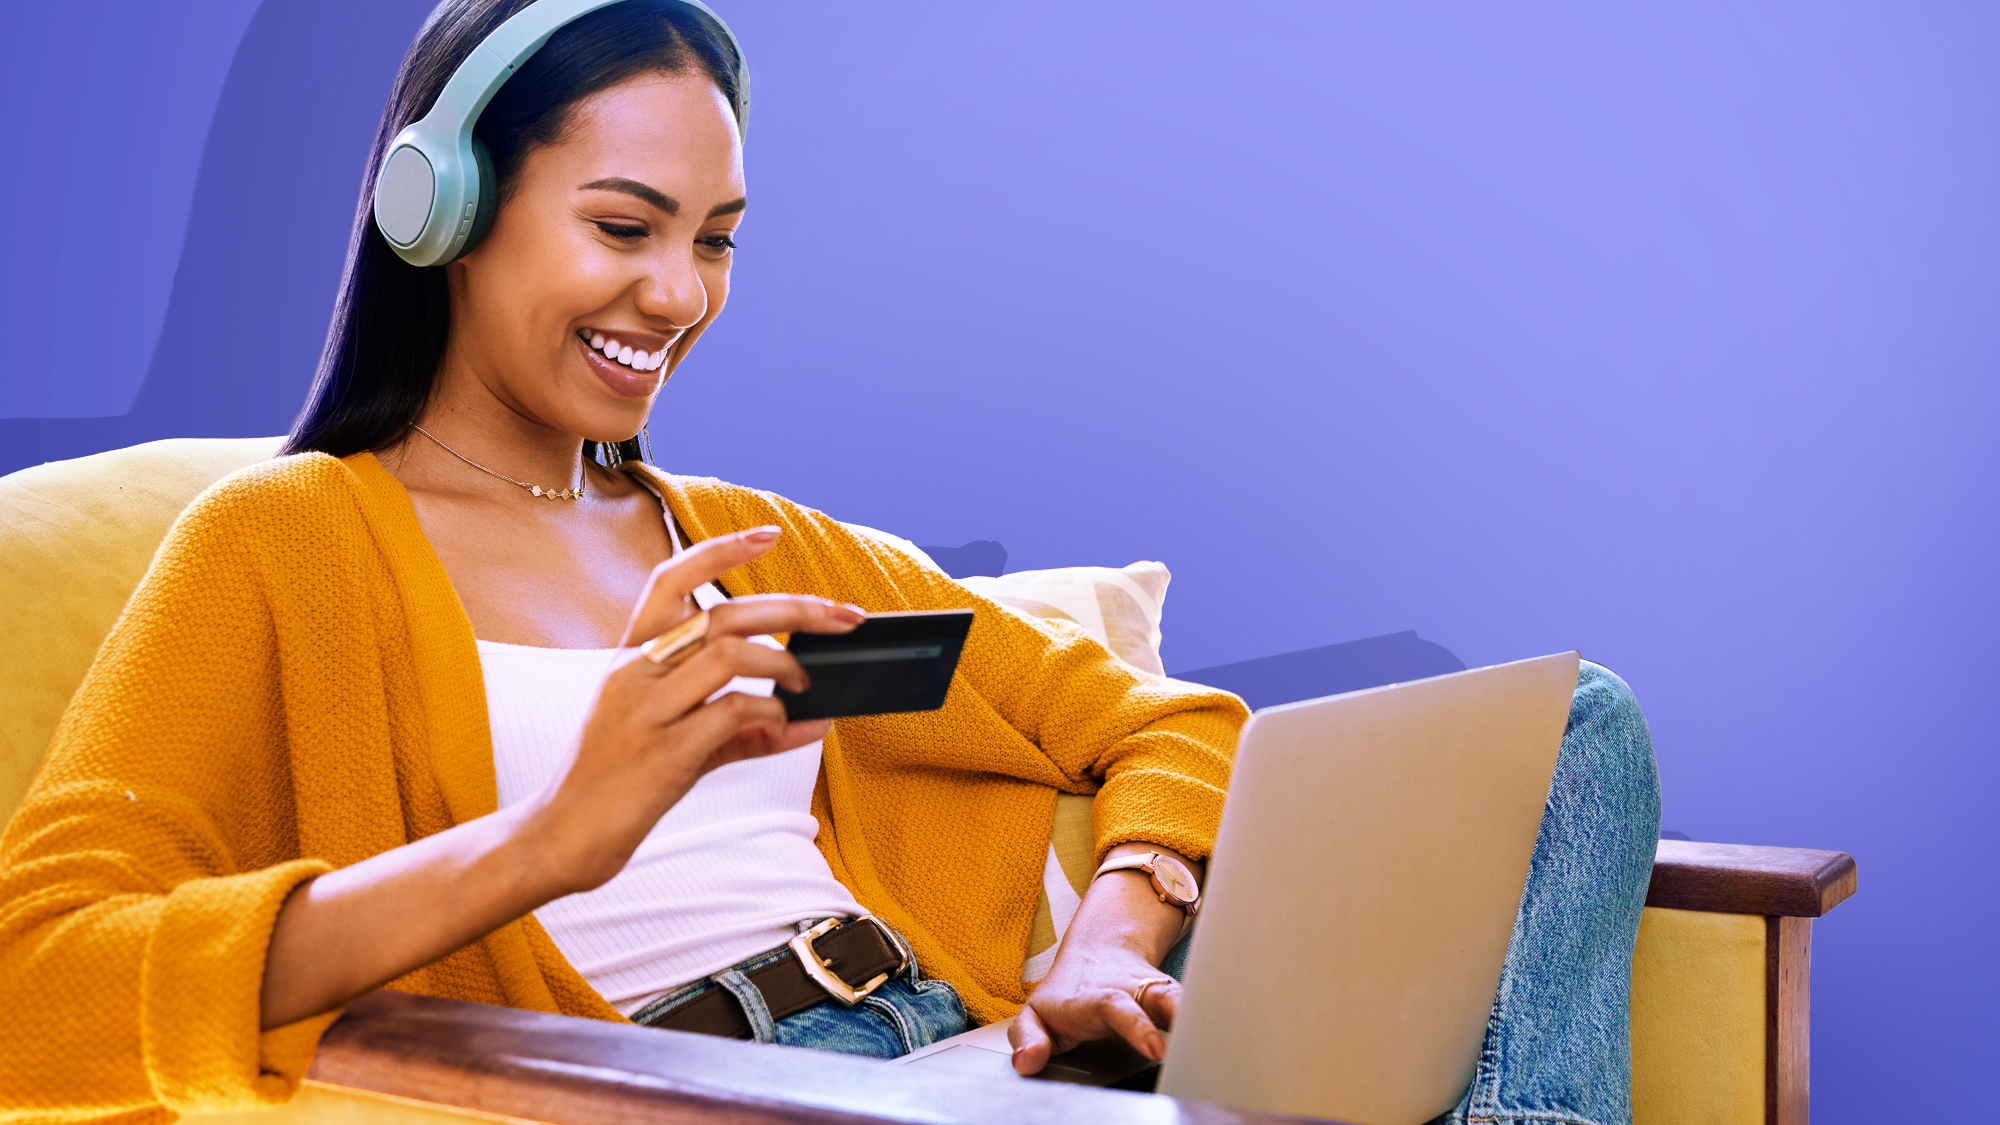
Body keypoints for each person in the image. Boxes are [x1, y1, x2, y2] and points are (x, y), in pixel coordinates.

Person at [0, 2, 1658, 1123]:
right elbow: (40, 981)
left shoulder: (761, 546)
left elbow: (1164, 721)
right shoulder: (283, 545)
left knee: (1577, 718)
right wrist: (555, 835)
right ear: (440, 210)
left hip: (947, 1057)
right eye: (626, 226)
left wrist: (1112, 938)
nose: (679, 298)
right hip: (681, 1082)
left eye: (714, 242)